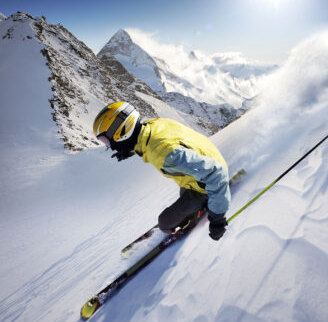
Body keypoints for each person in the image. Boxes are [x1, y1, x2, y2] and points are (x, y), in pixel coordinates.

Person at [93, 101, 230, 241]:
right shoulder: (152, 125)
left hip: (209, 179)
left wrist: (217, 220)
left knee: (165, 223)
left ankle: (205, 208)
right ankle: (205, 202)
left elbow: (216, 173)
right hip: (209, 159)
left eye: (107, 141)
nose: (110, 147)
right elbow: (152, 141)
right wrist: (129, 150)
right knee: (183, 194)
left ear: (120, 132)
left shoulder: (164, 154)